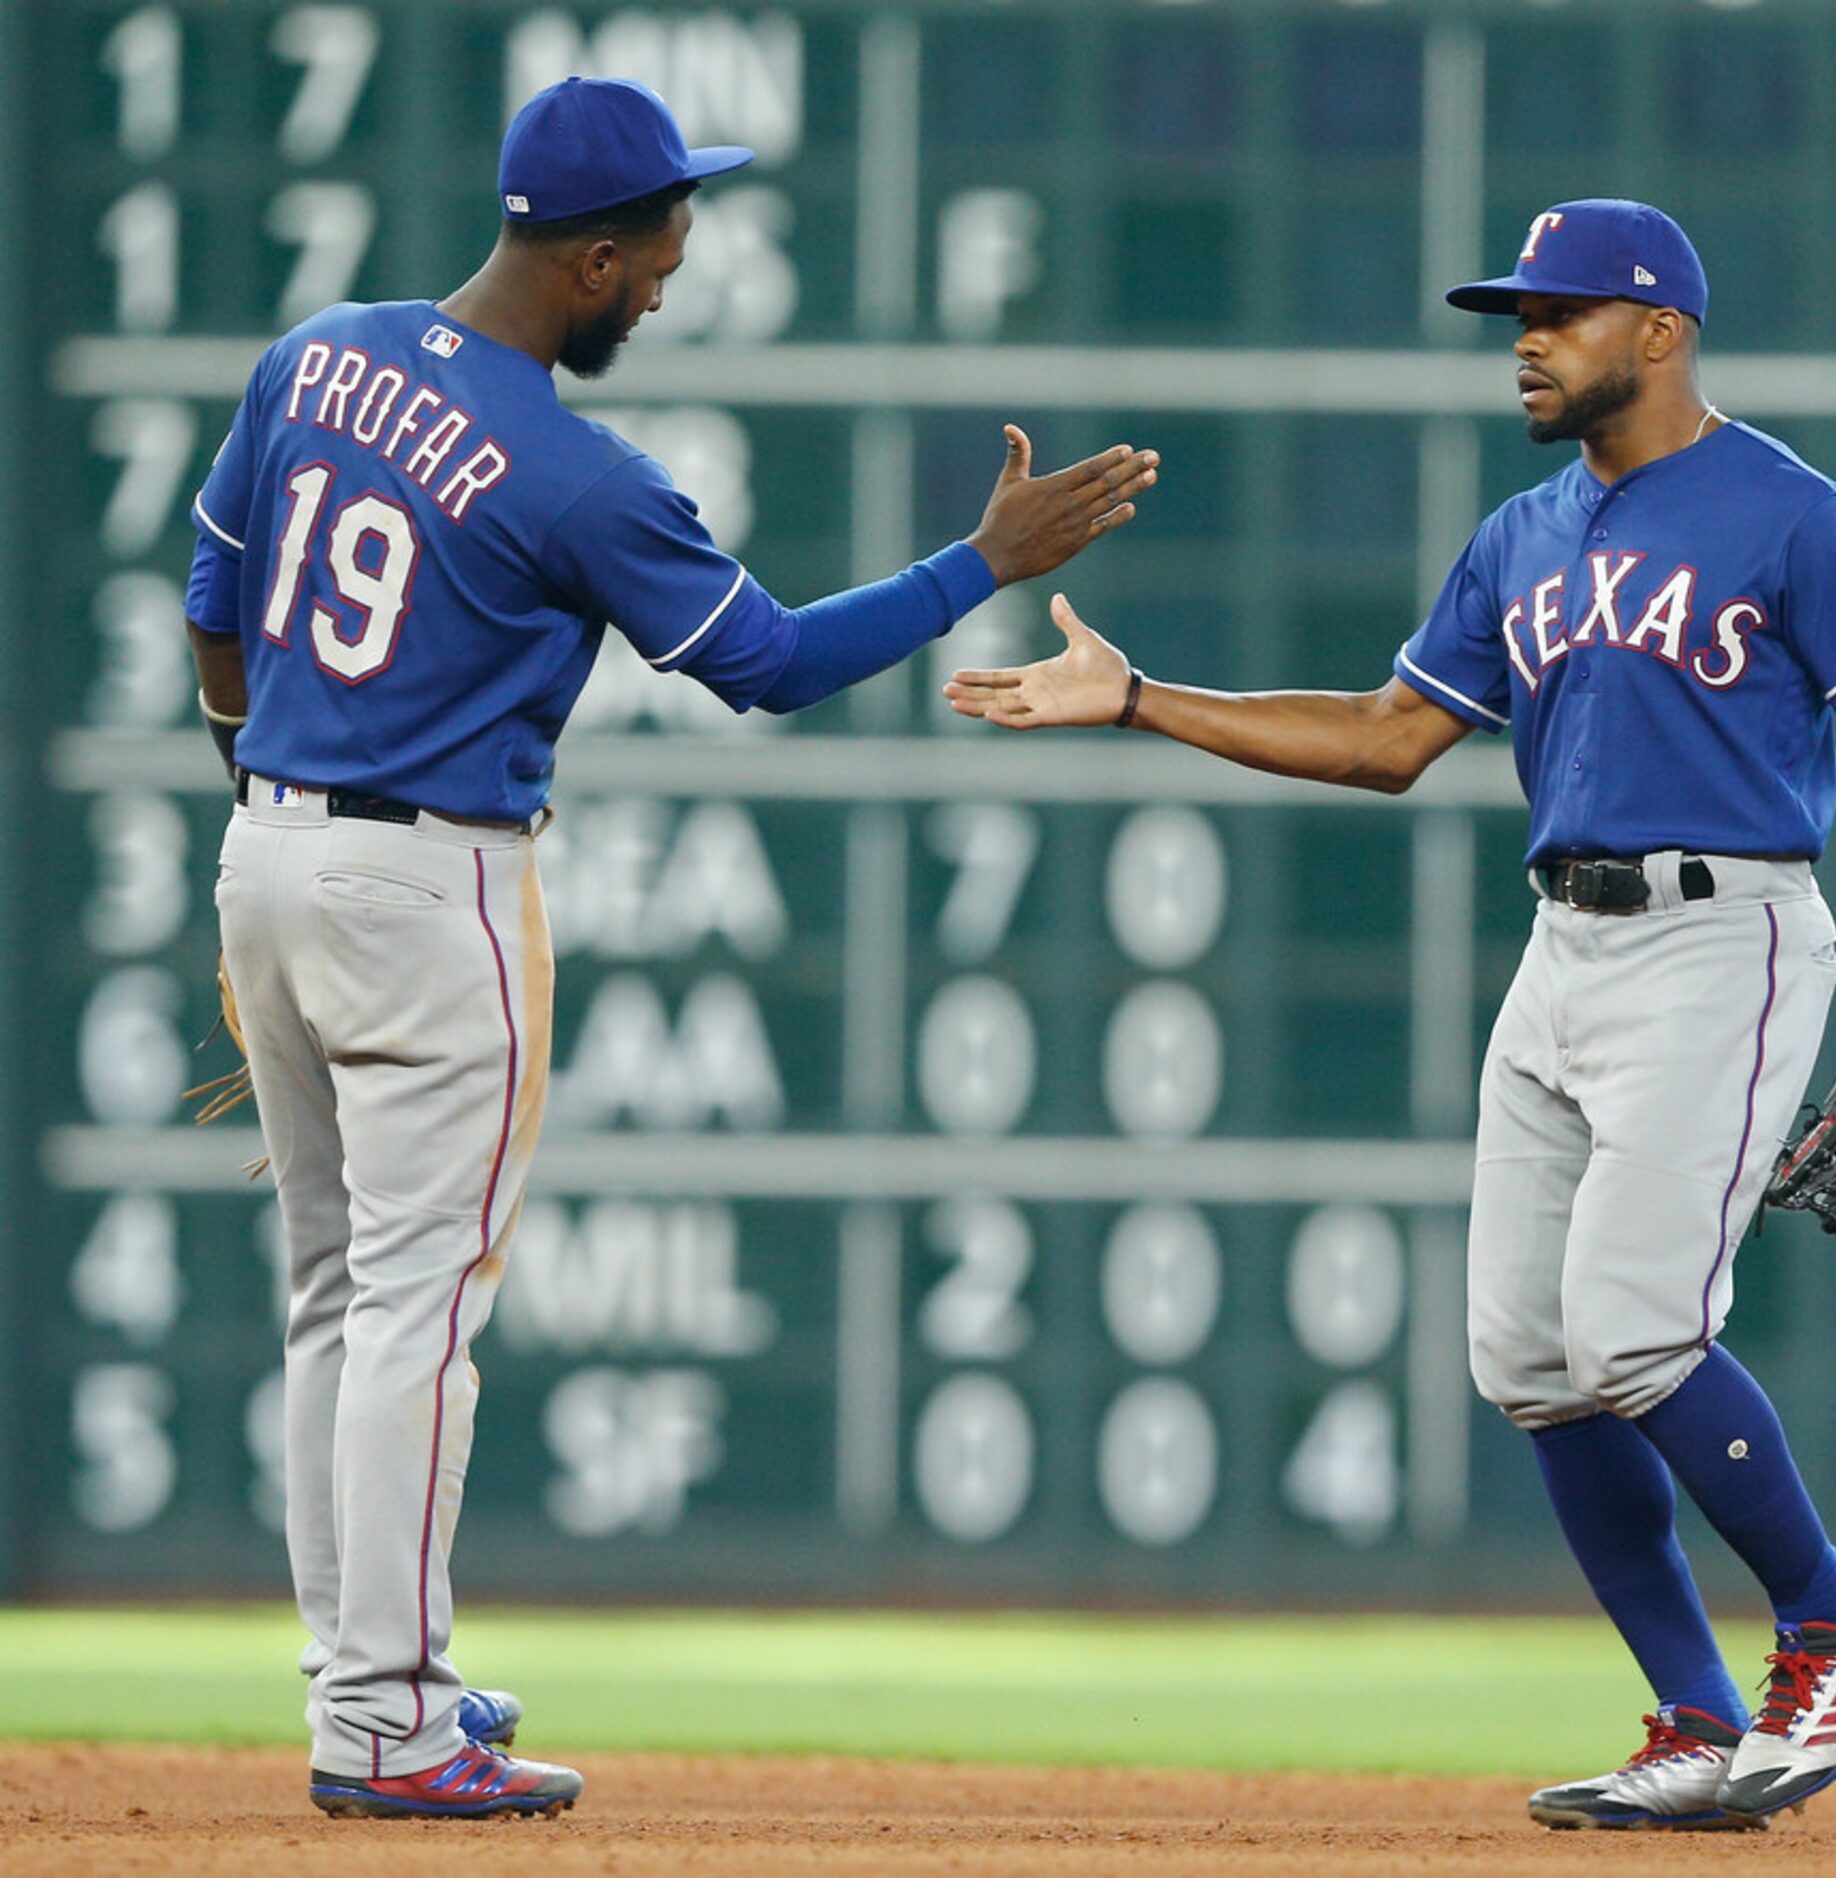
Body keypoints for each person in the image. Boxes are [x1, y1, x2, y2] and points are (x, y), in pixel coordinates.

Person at [184, 75, 1158, 1821]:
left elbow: (213, 599)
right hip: (431, 891)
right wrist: (975, 563)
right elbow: (767, 666)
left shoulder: (319, 352)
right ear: (586, 255)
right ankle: (392, 1713)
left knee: (333, 1298)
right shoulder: (574, 468)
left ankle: (361, 1677)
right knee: (419, 1308)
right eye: (659, 251)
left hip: (269, 843)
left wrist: (274, 827)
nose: (668, 280)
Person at [946, 198, 1836, 1831]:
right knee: (1529, 1357)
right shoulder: (1519, 536)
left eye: (1559, 312)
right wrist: (1140, 700)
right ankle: (1694, 1719)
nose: (1524, 338)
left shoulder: (1790, 512)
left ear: (1658, 332)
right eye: (1518, 312)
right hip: (1560, 946)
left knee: (1637, 1329)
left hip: (1726, 936)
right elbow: (1380, 736)